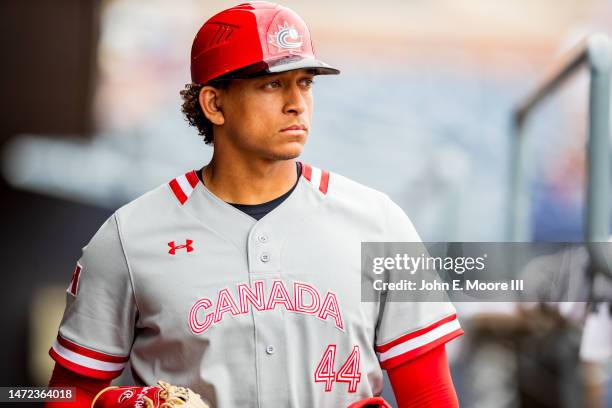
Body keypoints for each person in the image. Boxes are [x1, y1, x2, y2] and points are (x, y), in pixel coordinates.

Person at [47, 2, 463, 407]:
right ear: (214, 103)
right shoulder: (129, 236)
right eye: (272, 84)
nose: (296, 102)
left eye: (305, 82)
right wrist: (109, 403)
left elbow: (429, 395)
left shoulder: (380, 223)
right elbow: (65, 393)